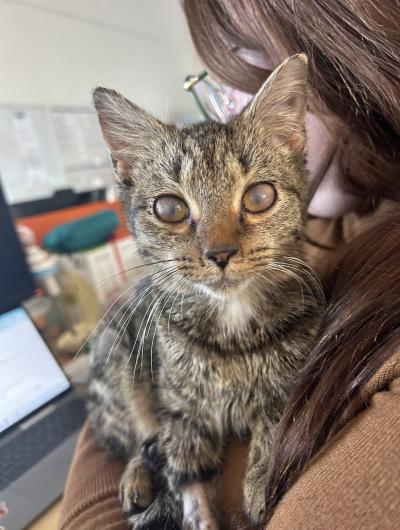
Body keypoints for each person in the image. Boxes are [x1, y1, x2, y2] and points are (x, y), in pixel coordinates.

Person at [59, 1, 400, 529]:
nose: (220, 247)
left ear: (355, 64)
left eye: (244, 72)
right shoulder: (331, 224)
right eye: (173, 210)